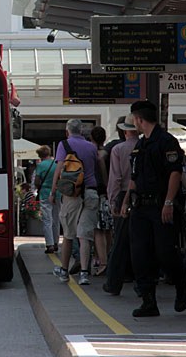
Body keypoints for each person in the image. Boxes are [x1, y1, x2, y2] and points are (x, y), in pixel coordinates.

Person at [120, 100, 186, 317]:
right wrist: (125, 201)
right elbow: (134, 177)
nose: (134, 123)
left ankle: (182, 283)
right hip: (140, 207)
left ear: (139, 119)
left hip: (160, 205)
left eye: (134, 119)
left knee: (165, 252)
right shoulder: (140, 144)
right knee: (140, 255)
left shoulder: (166, 141)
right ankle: (148, 301)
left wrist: (168, 202)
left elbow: (175, 173)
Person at [50, 119, 99, 286]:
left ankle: (64, 271)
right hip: (91, 192)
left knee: (69, 235)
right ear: (82, 131)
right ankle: (84, 273)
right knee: (85, 235)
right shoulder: (92, 147)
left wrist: (53, 191)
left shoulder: (64, 144)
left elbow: (59, 169)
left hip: (72, 194)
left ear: (67, 131)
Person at [102, 114, 138, 296]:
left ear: (124, 131)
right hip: (143, 195)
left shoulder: (118, 149)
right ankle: (141, 281)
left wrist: (113, 200)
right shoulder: (144, 146)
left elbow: (115, 178)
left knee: (120, 242)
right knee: (141, 240)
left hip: (123, 194)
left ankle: (114, 282)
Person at [90, 126, 112, 276]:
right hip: (107, 193)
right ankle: (106, 257)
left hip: (96, 191)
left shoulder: (93, 154)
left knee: (98, 229)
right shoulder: (108, 152)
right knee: (108, 228)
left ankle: (102, 261)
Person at [33, 145, 59, 253]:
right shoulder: (56, 163)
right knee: (56, 219)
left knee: (47, 220)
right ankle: (56, 242)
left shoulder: (40, 165)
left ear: (40, 155)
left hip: (45, 194)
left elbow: (37, 181)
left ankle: (50, 244)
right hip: (57, 193)